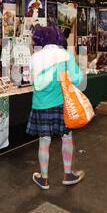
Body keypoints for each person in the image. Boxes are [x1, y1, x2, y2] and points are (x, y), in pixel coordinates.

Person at [27, 25, 85, 190]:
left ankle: (44, 179)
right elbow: (77, 79)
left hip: (40, 105)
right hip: (62, 104)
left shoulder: (35, 57)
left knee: (44, 141)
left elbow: (33, 82)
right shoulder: (65, 55)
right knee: (66, 137)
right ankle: (68, 175)